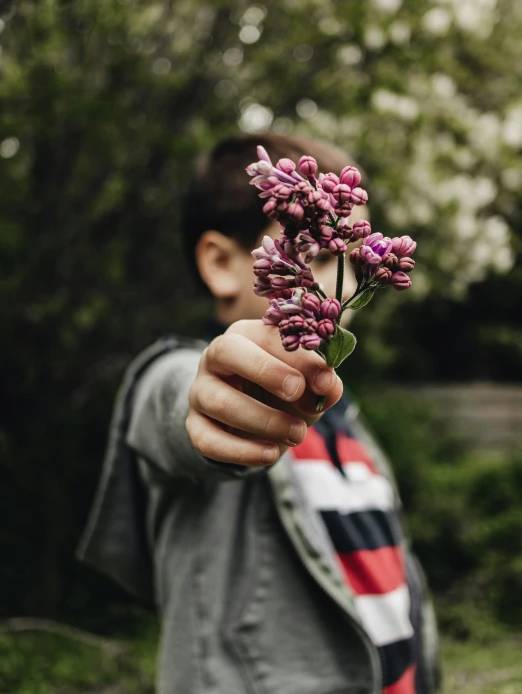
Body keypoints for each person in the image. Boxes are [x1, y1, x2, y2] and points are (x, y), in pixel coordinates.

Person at [78, 133, 441, 694]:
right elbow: (177, 402)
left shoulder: (351, 426)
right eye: (318, 254)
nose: (336, 280)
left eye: (353, 253)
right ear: (223, 263)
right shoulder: (184, 374)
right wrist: (204, 404)